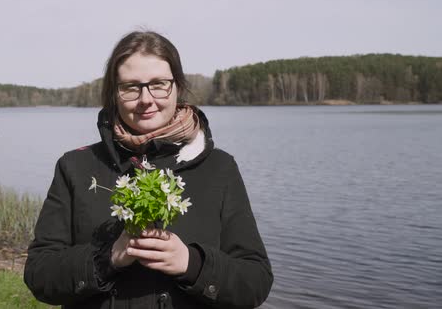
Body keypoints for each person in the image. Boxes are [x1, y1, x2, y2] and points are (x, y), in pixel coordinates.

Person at [24, 31, 273, 308]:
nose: (145, 99)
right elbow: (39, 274)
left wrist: (192, 264)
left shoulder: (219, 168)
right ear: (114, 94)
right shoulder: (75, 167)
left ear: (177, 86)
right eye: (130, 87)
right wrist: (106, 258)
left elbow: (256, 281)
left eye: (159, 84)